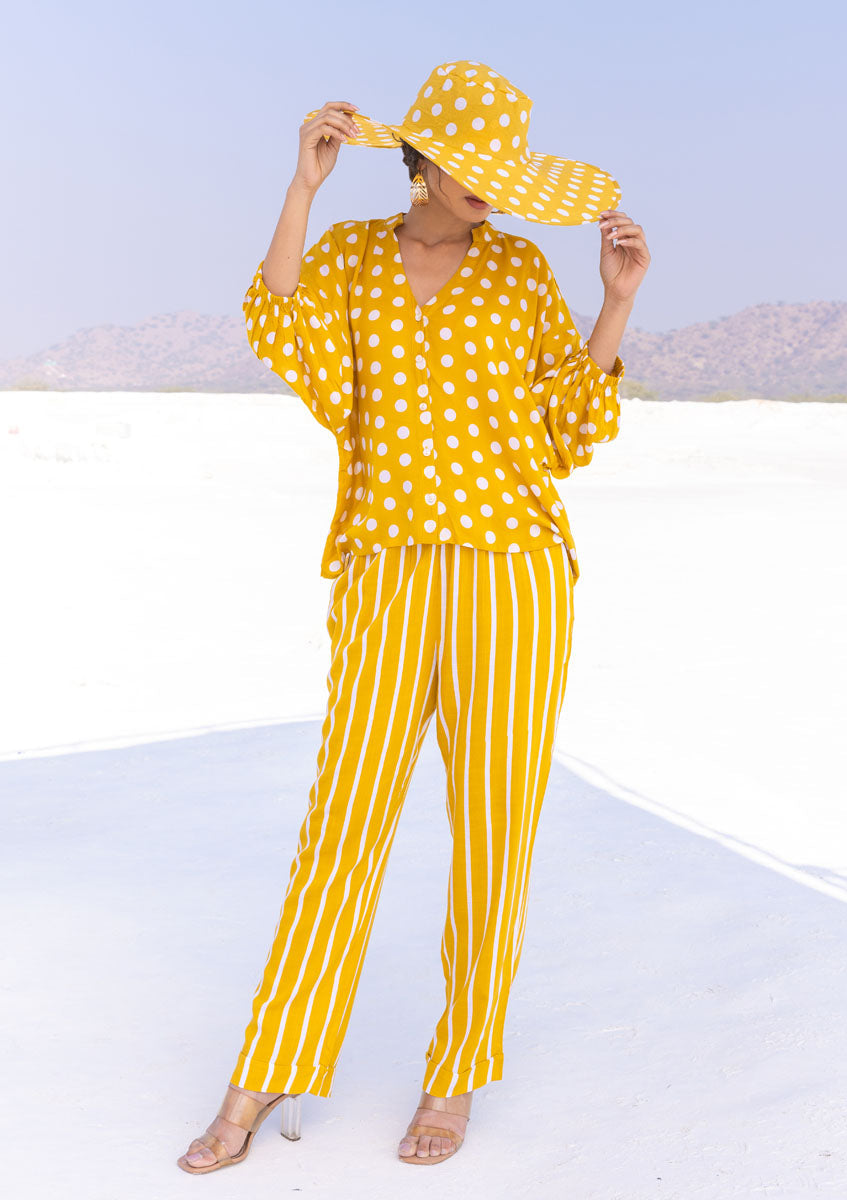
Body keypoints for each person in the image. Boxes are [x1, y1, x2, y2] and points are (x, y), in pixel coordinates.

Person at [178, 59, 650, 1174]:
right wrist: (302, 189)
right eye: (471, 161)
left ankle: (457, 1073)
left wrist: (616, 304)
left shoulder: (521, 270)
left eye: (503, 166)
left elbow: (569, 429)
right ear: (423, 160)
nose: (489, 182)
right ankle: (264, 1069)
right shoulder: (350, 256)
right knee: (343, 822)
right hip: (385, 570)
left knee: (495, 827)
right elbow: (280, 327)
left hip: (511, 574)